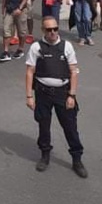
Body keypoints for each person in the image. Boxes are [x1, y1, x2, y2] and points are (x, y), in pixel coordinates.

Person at [25, 17, 87, 178]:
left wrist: (71, 95)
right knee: (43, 125)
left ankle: (77, 159)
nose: (52, 32)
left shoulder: (66, 46)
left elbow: (73, 71)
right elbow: (30, 72)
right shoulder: (36, 47)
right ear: (43, 30)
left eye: (55, 29)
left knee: (70, 127)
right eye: (48, 29)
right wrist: (29, 96)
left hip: (62, 93)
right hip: (43, 92)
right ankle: (45, 155)